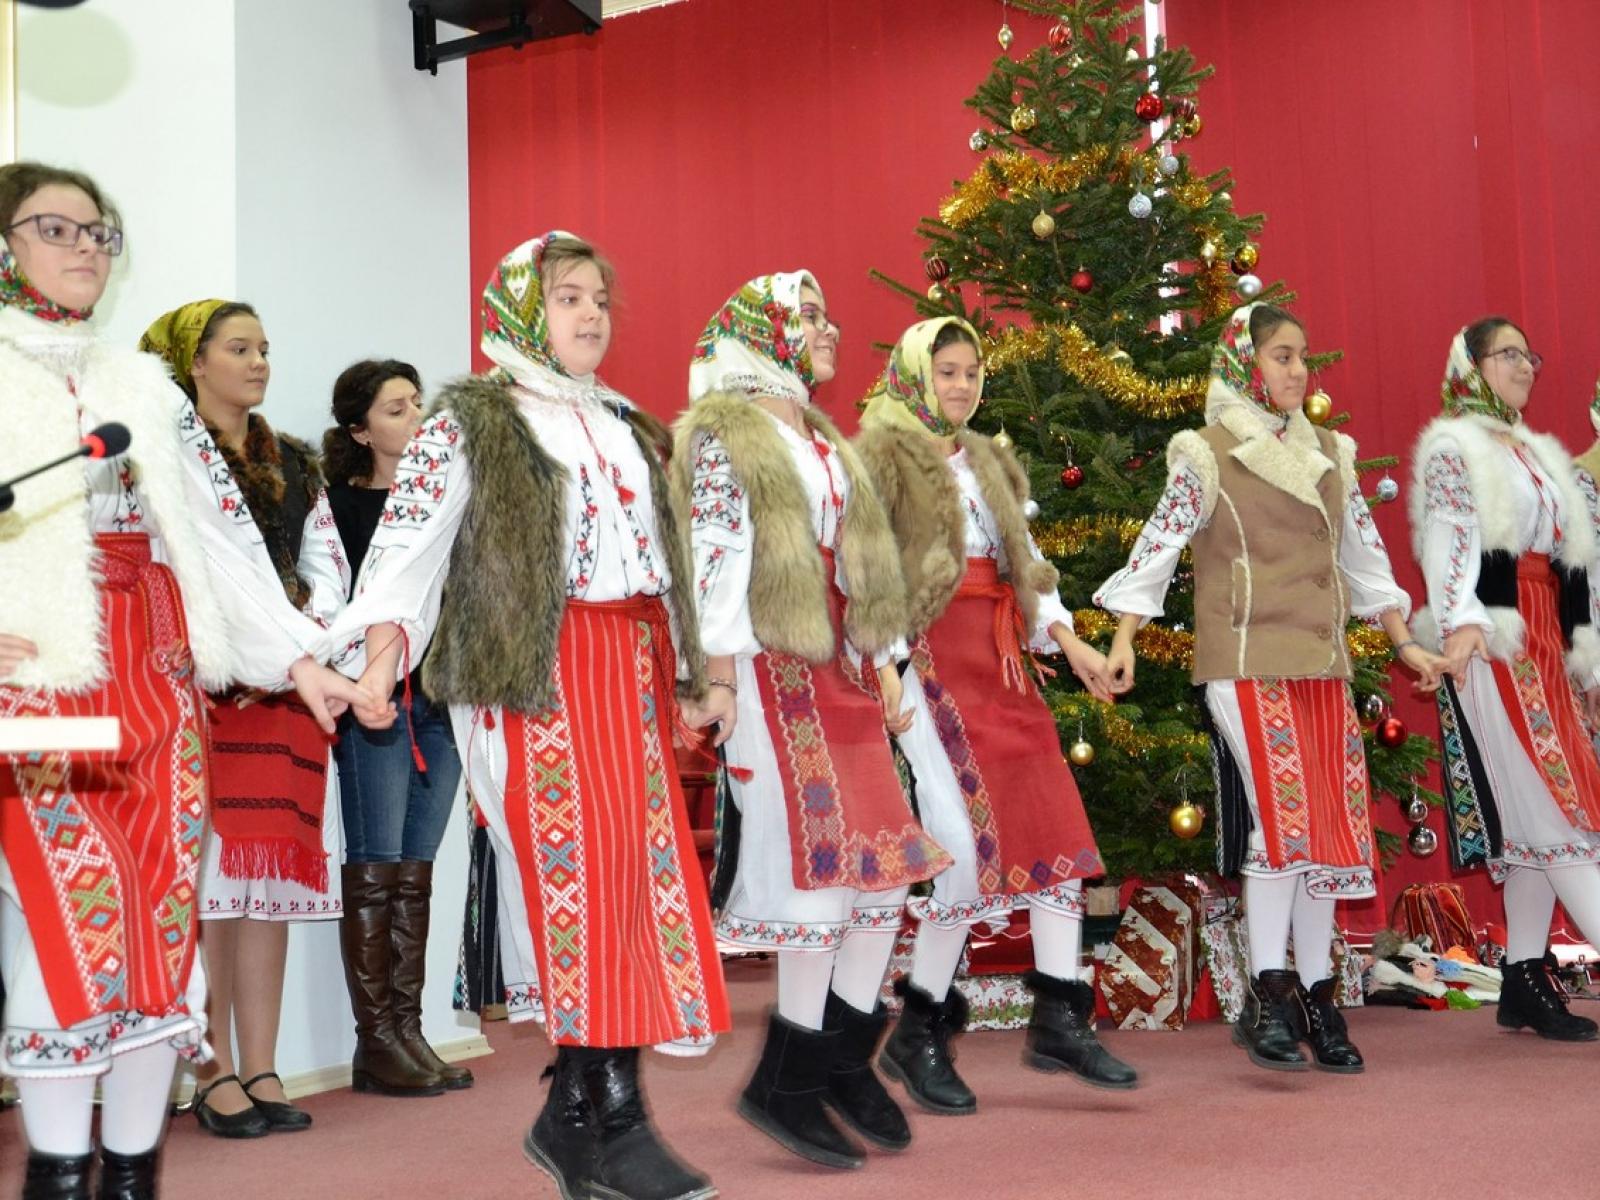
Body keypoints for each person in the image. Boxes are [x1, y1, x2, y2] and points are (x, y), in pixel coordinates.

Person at [334, 232, 730, 1200]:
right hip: (537, 678)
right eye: (566, 296)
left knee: (635, 888)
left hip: (629, 670)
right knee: (576, 886)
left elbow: (671, 561)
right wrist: (378, 664)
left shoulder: (626, 423)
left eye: (599, 297)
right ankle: (606, 1117)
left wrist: (699, 670)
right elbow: (406, 553)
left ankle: (583, 1114)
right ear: (520, 309)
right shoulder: (471, 422)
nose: (591, 313)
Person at [0, 162, 365, 1199]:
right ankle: (57, 1179)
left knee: (159, 933)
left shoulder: (142, 389)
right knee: (65, 925)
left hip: (159, 686)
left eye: (99, 232)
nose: (85, 246)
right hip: (43, 690)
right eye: (56, 228)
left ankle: (131, 1178)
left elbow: (220, 548)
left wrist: (299, 662)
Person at [1096, 302, 1444, 1073]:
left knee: (1327, 838)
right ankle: (1268, 994)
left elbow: (1364, 558)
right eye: (1282, 355)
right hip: (1246, 659)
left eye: (1303, 356)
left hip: (1321, 663)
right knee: (1284, 830)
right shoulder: (1206, 452)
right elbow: (1159, 543)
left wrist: (1404, 642)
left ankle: (1318, 996)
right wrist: (1122, 638)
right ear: (1244, 362)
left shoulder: (1331, 452)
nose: (1298, 370)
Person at [672, 273, 949, 1170]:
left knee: (884, 873)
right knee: (819, 877)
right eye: (808, 318)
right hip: (772, 667)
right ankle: (787, 1080)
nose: (828, 330)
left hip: (845, 671)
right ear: (764, 333)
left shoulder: (824, 437)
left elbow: (867, 560)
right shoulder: (727, 434)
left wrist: (889, 660)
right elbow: (711, 558)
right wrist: (713, 676)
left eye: (826, 316)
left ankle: (840, 1057)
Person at [854, 316, 1134, 1113]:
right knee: (957, 849)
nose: (962, 385)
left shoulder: (989, 461)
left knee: (1056, 829)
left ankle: (1059, 1015)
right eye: (946, 371)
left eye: (972, 372)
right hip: (931, 661)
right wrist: (885, 670)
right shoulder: (881, 463)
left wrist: (1072, 644)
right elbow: (869, 574)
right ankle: (920, 1030)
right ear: (915, 374)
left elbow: (1026, 566)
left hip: (1003, 661)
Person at [140, 300, 358, 1137]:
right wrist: (243, 643)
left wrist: (307, 631)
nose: (259, 362)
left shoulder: (296, 461)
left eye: (264, 347)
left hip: (288, 690)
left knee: (268, 891)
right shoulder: (164, 457)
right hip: (206, 687)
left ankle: (262, 1065)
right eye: (239, 348)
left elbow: (327, 560)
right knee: (213, 889)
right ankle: (212, 1070)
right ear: (194, 362)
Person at [1411, 317, 1600, 1041]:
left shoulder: (1537, 453)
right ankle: (1525, 976)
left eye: (1530, 355)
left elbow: (1573, 560)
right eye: (1509, 354)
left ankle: (1522, 975)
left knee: (1533, 823)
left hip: (1549, 642)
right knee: (1560, 815)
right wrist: (1462, 628)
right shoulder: (1455, 447)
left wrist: (1586, 659)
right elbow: (1451, 544)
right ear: (1472, 365)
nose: (1526, 366)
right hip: (1498, 639)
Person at [322, 360, 469, 1096]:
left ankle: (407, 1029)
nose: (415, 420)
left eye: (418, 405)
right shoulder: (340, 508)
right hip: (375, 705)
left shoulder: (454, 504)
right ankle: (375, 1039)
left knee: (416, 870)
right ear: (360, 431)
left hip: (442, 700)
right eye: (394, 410)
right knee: (375, 866)